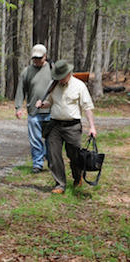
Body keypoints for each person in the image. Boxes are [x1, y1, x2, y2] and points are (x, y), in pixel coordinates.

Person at [35, 60, 96, 194]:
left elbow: (87, 107)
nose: (59, 79)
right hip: (55, 125)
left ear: (68, 74)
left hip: (72, 126)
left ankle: (77, 177)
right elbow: (49, 102)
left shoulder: (79, 86)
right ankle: (60, 184)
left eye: (61, 76)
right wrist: (42, 104)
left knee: (74, 155)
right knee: (53, 155)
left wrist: (92, 127)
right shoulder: (54, 85)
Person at [14, 44, 52, 173]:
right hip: (33, 112)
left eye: (39, 58)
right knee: (35, 139)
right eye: (34, 58)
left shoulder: (52, 69)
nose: (36, 60)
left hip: (51, 111)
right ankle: (37, 163)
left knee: (51, 140)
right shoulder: (27, 71)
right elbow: (21, 90)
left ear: (45, 56)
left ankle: (51, 160)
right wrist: (18, 107)